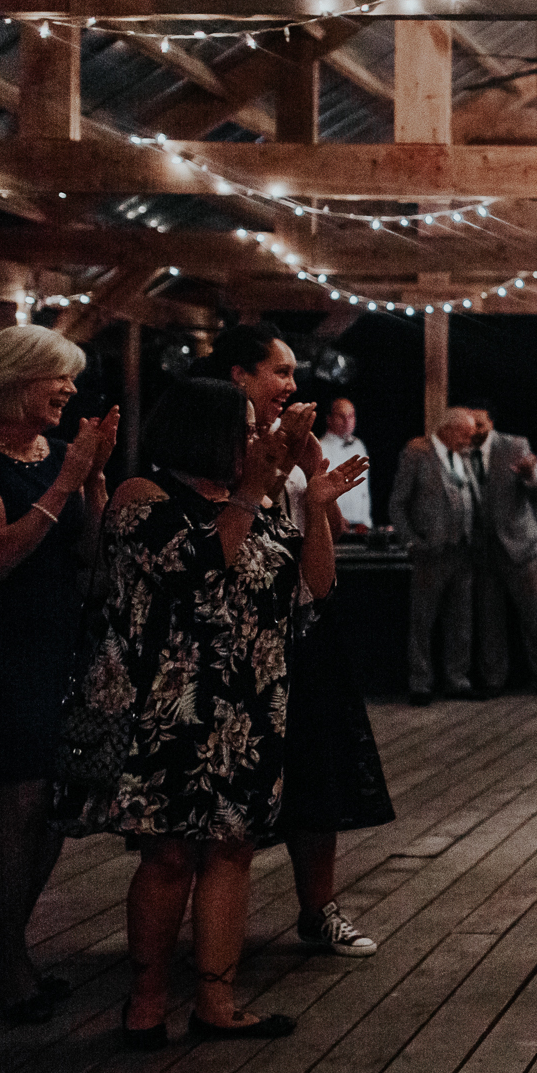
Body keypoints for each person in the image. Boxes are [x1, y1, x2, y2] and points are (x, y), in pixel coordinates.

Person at [58, 380, 367, 1047]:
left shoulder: (252, 501)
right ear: (203, 431)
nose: (259, 439)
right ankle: (145, 1007)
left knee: (233, 848)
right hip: (171, 705)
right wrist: (256, 490)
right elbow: (195, 568)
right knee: (169, 853)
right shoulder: (143, 496)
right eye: (248, 428)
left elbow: (315, 587)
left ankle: (216, 1004)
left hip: (250, 706)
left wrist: (315, 507)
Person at [0, 327, 116, 1023]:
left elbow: (91, 556)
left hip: (61, 641)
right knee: (22, 798)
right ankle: (8, 958)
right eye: (58, 377)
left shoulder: (60, 453)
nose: (70, 390)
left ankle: (3, 942)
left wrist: (93, 480)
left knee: (56, 805)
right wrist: (67, 483)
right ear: (13, 378)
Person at [208, 326, 391, 959]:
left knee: (317, 771)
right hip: (235, 636)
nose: (292, 384)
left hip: (302, 625)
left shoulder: (299, 440)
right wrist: (281, 463)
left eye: (292, 373)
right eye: (280, 372)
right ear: (240, 375)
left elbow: (327, 522)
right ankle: (210, 924)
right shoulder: (214, 441)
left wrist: (315, 474)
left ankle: (319, 909)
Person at [458, 405, 537, 696]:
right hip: (483, 548)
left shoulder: (514, 445)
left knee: (534, 615)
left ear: (491, 423)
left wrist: (530, 474)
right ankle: (494, 680)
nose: (475, 431)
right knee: (489, 618)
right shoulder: (461, 449)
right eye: (471, 426)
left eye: (480, 425)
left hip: (519, 546)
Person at [390, 408, 480, 704]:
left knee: (461, 621)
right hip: (430, 553)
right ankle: (420, 683)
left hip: (462, 551)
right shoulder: (418, 453)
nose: (470, 440)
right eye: (466, 434)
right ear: (449, 430)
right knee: (423, 621)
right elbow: (398, 503)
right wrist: (411, 542)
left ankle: (458, 680)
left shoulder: (463, 456)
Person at [320, 398, 371, 530]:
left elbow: (364, 489)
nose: (347, 421)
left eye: (351, 416)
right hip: (335, 526)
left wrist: (366, 522)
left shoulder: (358, 445)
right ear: (329, 419)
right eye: (341, 416)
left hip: (360, 526)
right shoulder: (320, 448)